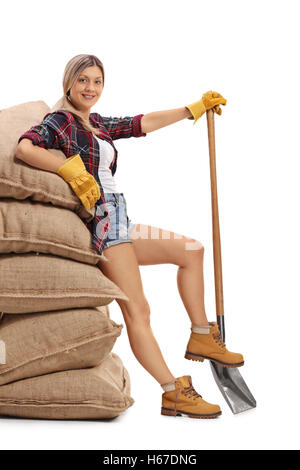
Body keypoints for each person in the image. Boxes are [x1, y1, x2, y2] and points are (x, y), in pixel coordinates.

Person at [16, 54, 244, 420]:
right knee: (138, 310)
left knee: (191, 249)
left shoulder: (96, 124)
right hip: (104, 223)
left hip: (120, 219)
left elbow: (140, 123)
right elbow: (25, 147)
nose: (91, 88)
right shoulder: (60, 121)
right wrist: (68, 169)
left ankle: (201, 334)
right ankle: (173, 391)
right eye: (83, 80)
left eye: (97, 81)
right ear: (69, 83)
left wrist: (193, 109)